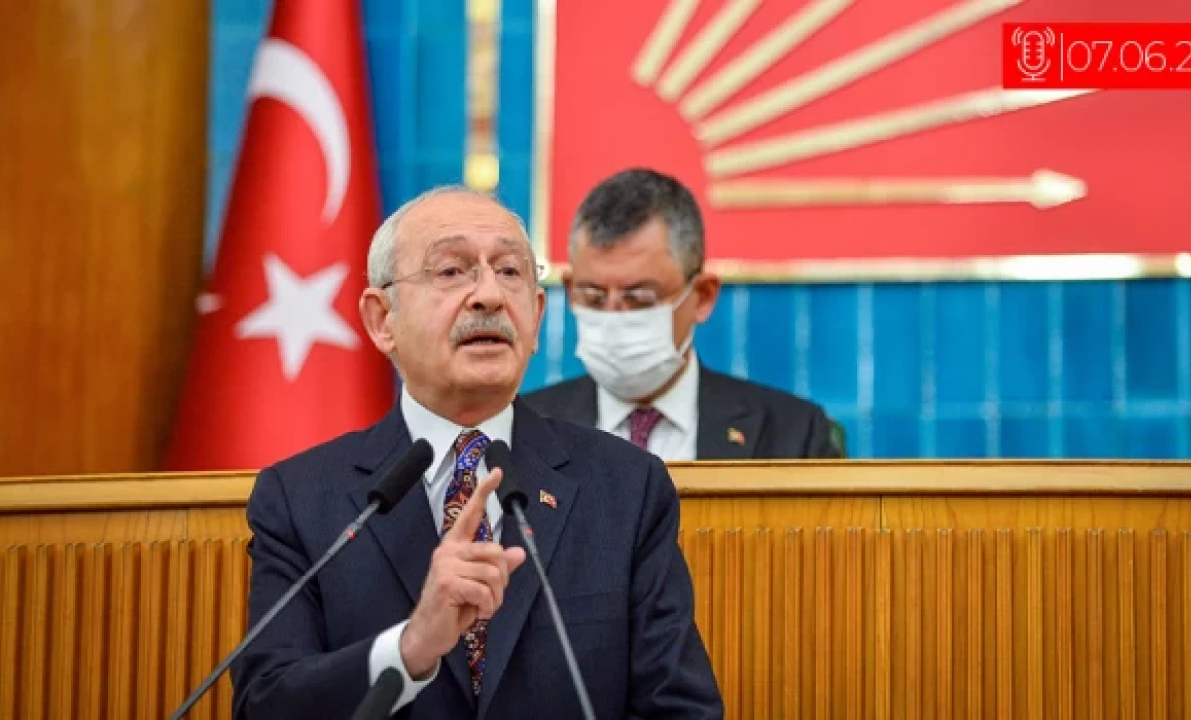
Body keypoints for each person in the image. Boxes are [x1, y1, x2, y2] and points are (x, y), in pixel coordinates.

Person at [229, 186, 723, 719]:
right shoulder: (300, 499)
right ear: (382, 319)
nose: (488, 295)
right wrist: (410, 648)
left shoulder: (626, 487)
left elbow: (680, 708)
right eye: (451, 270)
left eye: (509, 271)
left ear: (536, 316)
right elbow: (265, 705)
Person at [524, 168, 844, 461]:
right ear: (570, 290)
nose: (613, 316)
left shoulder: (792, 435)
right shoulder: (524, 430)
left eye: (639, 298)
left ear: (702, 296)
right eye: (593, 296)